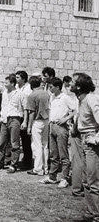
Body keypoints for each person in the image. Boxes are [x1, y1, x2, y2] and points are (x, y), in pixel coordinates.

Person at [71, 73, 99, 221]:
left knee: (93, 180)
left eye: (73, 82)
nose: (70, 84)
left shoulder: (91, 99)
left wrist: (95, 138)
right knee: (86, 179)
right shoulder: (80, 100)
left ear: (79, 86)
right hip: (83, 139)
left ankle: (97, 215)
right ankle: (91, 212)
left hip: (91, 142)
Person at [39, 77, 75, 187]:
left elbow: (75, 110)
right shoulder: (52, 97)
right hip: (52, 126)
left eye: (51, 87)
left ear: (57, 87)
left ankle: (64, 178)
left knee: (63, 154)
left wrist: (65, 119)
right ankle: (52, 177)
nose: (49, 89)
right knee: (53, 154)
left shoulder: (65, 98)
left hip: (61, 127)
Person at [0, 75, 26, 173]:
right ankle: (0, 163)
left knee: (14, 143)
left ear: (12, 83)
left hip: (15, 119)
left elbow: (25, 109)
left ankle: (13, 165)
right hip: (4, 120)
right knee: (1, 142)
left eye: (6, 83)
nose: (5, 84)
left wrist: (25, 121)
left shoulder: (20, 94)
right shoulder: (4, 93)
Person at [26, 76, 50, 176]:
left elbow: (31, 112)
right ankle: (45, 168)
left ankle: (38, 168)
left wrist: (29, 126)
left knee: (37, 145)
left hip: (37, 121)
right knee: (45, 145)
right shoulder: (46, 93)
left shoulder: (32, 95)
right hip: (46, 120)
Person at [16, 70, 33, 170]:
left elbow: (27, 106)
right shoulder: (17, 87)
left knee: (26, 140)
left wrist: (25, 121)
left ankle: (27, 161)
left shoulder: (28, 89)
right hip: (17, 115)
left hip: (24, 116)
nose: (16, 79)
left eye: (18, 77)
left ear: (23, 78)